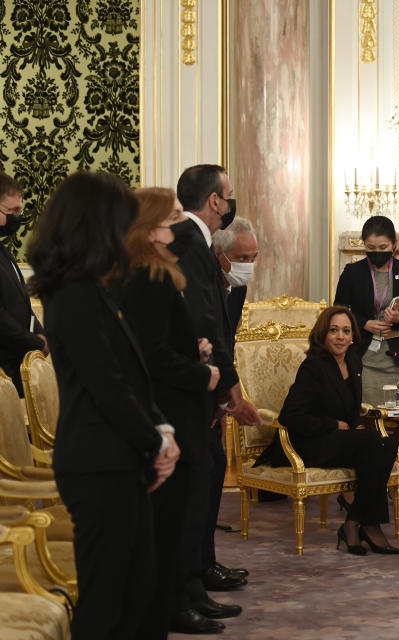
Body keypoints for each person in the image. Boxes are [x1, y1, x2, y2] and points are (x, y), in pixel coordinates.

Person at [26, 172, 180, 639]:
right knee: (108, 600)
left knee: (138, 589)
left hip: (116, 457)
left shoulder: (93, 288)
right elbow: (106, 385)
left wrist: (160, 431)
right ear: (98, 223)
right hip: (97, 463)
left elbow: (131, 375)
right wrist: (154, 438)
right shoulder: (72, 294)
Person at [120, 187, 233, 636]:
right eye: (169, 220)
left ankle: (187, 593)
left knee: (190, 505)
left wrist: (196, 348)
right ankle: (175, 603)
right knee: (176, 514)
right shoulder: (146, 276)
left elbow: (168, 337)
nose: (176, 227)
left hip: (180, 401)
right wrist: (202, 373)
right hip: (173, 403)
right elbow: (153, 353)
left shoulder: (160, 269)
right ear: (148, 228)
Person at [173, 164, 257, 630]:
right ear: (213, 202)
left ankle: (199, 573)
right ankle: (185, 590)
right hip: (191, 389)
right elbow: (203, 324)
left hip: (204, 387)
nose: (231, 201)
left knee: (208, 478)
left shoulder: (197, 244)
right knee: (194, 488)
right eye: (229, 194)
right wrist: (228, 390)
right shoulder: (190, 243)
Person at [256, 306, 399, 555]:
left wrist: (354, 423)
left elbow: (353, 406)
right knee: (375, 443)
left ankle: (356, 522)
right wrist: (333, 424)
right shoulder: (313, 367)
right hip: (308, 443)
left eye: (346, 331)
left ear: (353, 336)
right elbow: (290, 416)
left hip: (338, 441)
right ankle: (367, 525)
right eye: (334, 330)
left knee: (384, 444)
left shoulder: (354, 361)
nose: (340, 336)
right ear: (323, 334)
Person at [334, 215, 399, 405]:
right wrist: (364, 323)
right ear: (364, 245)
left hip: (393, 358)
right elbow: (338, 309)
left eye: (383, 248)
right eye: (371, 248)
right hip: (362, 357)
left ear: (394, 244)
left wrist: (398, 318)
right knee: (364, 414)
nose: (377, 252)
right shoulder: (352, 272)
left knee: (393, 415)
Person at [0, 172, 47, 395]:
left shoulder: (4, 251)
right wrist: (35, 343)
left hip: (15, 367)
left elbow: (22, 303)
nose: (19, 217)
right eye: (12, 212)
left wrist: (41, 334)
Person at [211, 216, 259, 335]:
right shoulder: (203, 287)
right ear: (218, 254)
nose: (249, 265)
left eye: (253, 258)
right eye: (242, 258)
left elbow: (230, 338)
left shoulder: (239, 288)